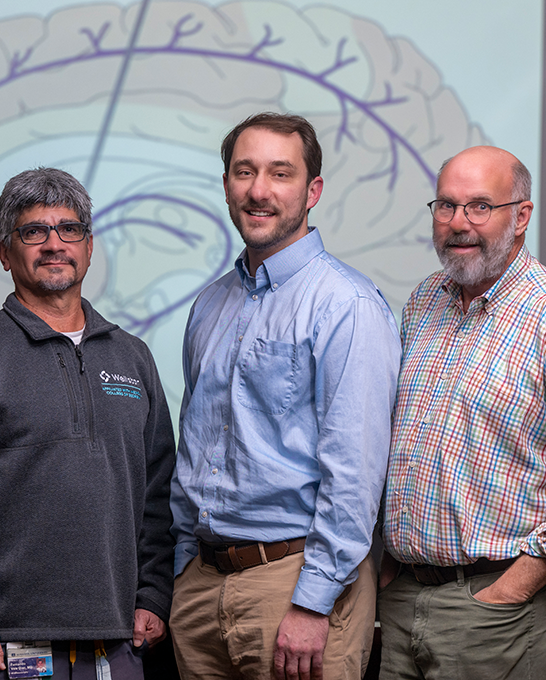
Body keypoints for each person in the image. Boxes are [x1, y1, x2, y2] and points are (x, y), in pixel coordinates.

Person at [378, 146, 546, 679]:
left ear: (521, 216)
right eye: (445, 206)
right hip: (403, 602)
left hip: (498, 610)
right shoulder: (425, 302)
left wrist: (506, 592)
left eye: (478, 207)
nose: (457, 224)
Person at [0, 167, 176, 680]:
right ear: (4, 252)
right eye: (34, 231)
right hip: (6, 643)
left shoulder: (133, 356)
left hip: (120, 638)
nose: (54, 244)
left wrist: (154, 595)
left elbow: (158, 492)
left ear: (89, 245)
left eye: (69, 229)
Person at [169, 112, 401, 680]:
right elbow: (194, 446)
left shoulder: (345, 304)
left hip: (293, 585)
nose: (259, 190)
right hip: (200, 586)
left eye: (280, 173)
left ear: (312, 190)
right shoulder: (209, 305)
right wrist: (180, 569)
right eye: (244, 172)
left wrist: (313, 599)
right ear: (226, 184)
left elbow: (356, 468)